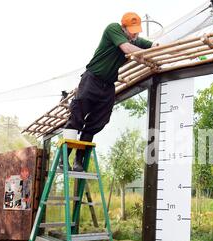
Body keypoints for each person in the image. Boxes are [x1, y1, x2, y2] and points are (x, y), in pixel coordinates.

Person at [61, 12, 154, 171]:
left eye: (137, 30)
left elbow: (154, 46)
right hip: (92, 80)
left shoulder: (136, 40)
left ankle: (79, 160)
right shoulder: (113, 29)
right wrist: (143, 55)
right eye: (132, 30)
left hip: (108, 86)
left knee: (97, 122)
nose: (135, 33)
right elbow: (126, 48)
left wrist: (165, 48)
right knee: (77, 116)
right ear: (123, 28)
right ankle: (64, 159)